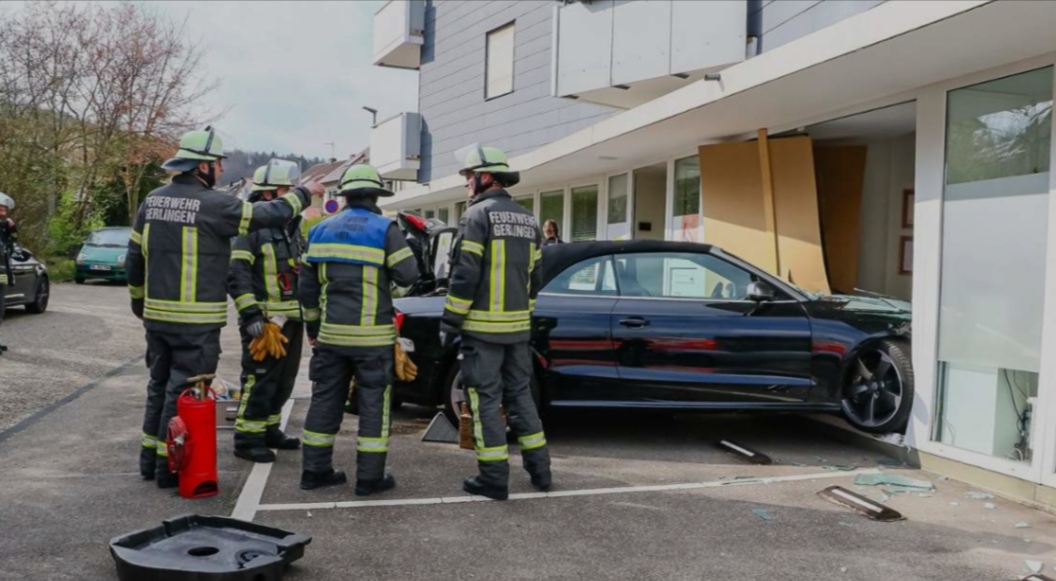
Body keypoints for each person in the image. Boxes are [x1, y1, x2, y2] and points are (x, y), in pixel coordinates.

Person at [129, 127, 324, 488]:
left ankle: (151, 460)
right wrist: (304, 193)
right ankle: (168, 468)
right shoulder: (215, 204)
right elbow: (267, 215)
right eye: (218, 163)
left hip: (157, 319)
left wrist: (139, 302)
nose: (221, 169)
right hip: (196, 323)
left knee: (159, 387)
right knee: (185, 394)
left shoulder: (152, 201)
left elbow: (133, 257)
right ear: (202, 166)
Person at [298, 164, 419, 493]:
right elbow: (409, 275)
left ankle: (314, 472)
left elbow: (307, 291)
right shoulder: (385, 229)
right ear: (376, 195)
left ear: (346, 195)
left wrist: (313, 328)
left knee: (324, 402)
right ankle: (369, 479)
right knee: (372, 408)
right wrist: (387, 288)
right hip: (373, 340)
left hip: (331, 337)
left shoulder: (320, 230)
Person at [441, 144, 552, 501]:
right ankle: (541, 473)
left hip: (482, 332)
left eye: (468, 177)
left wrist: (451, 321)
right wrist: (521, 315)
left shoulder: (476, 217)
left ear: (484, 177)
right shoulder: (528, 219)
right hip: (518, 331)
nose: (465, 185)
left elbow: (464, 275)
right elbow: (535, 278)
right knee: (521, 398)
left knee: (485, 400)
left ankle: (493, 478)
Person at [228, 164, 307, 463]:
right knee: (259, 380)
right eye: (287, 191)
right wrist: (250, 314)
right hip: (264, 322)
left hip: (292, 320)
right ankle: (247, 439)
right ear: (270, 193)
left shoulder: (292, 228)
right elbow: (237, 273)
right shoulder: (251, 227)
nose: (291, 198)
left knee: (284, 381)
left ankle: (270, 429)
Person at [0, 192, 17, 354]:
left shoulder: (4, 227)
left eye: (4, 210)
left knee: (0, 309)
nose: (3, 213)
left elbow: (14, 240)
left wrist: (12, 227)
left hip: (1, 273)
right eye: (0, 210)